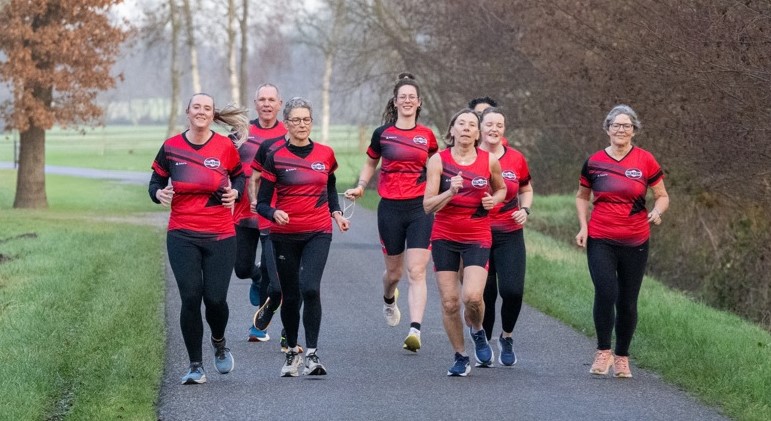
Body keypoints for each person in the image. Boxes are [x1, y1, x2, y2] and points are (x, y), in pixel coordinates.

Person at [149, 93, 249, 385]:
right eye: (197, 107)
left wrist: (236, 192)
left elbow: (240, 177)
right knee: (191, 297)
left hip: (220, 234)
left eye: (207, 108)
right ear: (188, 112)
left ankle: (219, 342)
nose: (201, 112)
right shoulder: (171, 147)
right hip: (182, 233)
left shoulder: (225, 146)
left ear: (212, 113)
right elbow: (155, 181)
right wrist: (159, 193)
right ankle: (195, 365)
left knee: (215, 299)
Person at [344, 73, 438, 353]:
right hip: (390, 208)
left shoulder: (427, 136)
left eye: (412, 97)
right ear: (395, 103)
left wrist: (438, 196)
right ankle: (388, 298)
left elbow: (436, 169)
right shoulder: (383, 134)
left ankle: (415, 330)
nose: (407, 101)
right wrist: (361, 186)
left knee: (417, 270)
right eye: (403, 97)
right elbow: (370, 163)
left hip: (420, 207)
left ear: (419, 102)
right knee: (394, 273)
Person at [257, 97, 350, 377]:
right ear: (286, 124)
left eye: (306, 120)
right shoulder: (275, 157)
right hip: (284, 234)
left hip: (318, 231)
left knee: (310, 287)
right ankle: (291, 353)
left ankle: (312, 354)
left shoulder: (325, 155)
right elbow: (261, 202)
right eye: (295, 120)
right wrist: (274, 213)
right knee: (291, 294)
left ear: (312, 122)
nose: (301, 124)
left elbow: (330, 188)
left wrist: (336, 212)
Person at [575, 104, 669, 378]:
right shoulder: (593, 162)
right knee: (606, 293)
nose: (621, 130)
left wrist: (657, 211)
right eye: (616, 125)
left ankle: (622, 357)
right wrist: (583, 227)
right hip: (601, 237)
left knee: (627, 301)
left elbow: (662, 195)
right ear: (607, 129)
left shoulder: (645, 160)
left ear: (634, 130)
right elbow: (582, 196)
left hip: (635, 240)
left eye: (626, 125)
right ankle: (603, 351)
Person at [423, 109, 506, 376]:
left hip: (477, 236)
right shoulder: (438, 161)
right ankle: (460, 356)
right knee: (449, 302)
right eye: (462, 124)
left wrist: (495, 200)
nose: (467, 129)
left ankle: (478, 330)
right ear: (452, 130)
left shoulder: (489, 160)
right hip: (444, 236)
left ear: (478, 133)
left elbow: (502, 187)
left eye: (472, 125)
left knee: (472, 297)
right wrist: (450, 191)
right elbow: (427, 206)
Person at [231, 83, 287, 343]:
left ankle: (258, 326)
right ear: (255, 104)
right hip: (242, 209)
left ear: (279, 104)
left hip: (273, 211)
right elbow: (226, 164)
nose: (266, 104)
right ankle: (253, 277)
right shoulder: (242, 131)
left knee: (271, 272)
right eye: (261, 99)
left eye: (271, 99)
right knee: (241, 268)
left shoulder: (287, 133)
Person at [477, 107, 533, 367]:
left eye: (499, 125)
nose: (494, 129)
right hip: (477, 233)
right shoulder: (469, 157)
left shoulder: (516, 158)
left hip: (510, 233)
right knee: (484, 295)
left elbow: (526, 188)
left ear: (504, 129)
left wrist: (525, 209)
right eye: (489, 124)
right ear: (481, 127)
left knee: (512, 291)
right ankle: (484, 343)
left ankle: (506, 336)